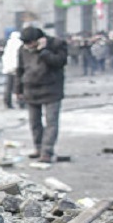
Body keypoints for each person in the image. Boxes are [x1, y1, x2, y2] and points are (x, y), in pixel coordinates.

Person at [15, 26, 68, 164]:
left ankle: (47, 151)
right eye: (25, 43)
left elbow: (59, 62)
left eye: (30, 43)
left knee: (51, 122)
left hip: (52, 89)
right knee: (35, 123)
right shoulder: (23, 50)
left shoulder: (56, 44)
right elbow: (20, 70)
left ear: (38, 40)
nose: (28, 46)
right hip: (31, 90)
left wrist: (43, 51)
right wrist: (18, 90)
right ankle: (38, 148)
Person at [1, 31, 24, 109]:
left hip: (8, 69)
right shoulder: (20, 44)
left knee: (8, 87)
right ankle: (21, 102)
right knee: (19, 86)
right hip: (17, 68)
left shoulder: (8, 44)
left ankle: (7, 102)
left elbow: (5, 57)